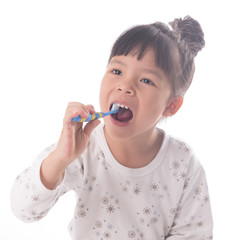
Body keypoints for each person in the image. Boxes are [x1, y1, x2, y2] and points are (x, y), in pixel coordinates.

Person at [11, 16, 213, 239]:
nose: (125, 86)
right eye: (117, 71)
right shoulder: (84, 148)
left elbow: (194, 234)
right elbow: (23, 210)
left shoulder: (183, 163)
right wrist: (60, 158)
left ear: (171, 105)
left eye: (146, 80)